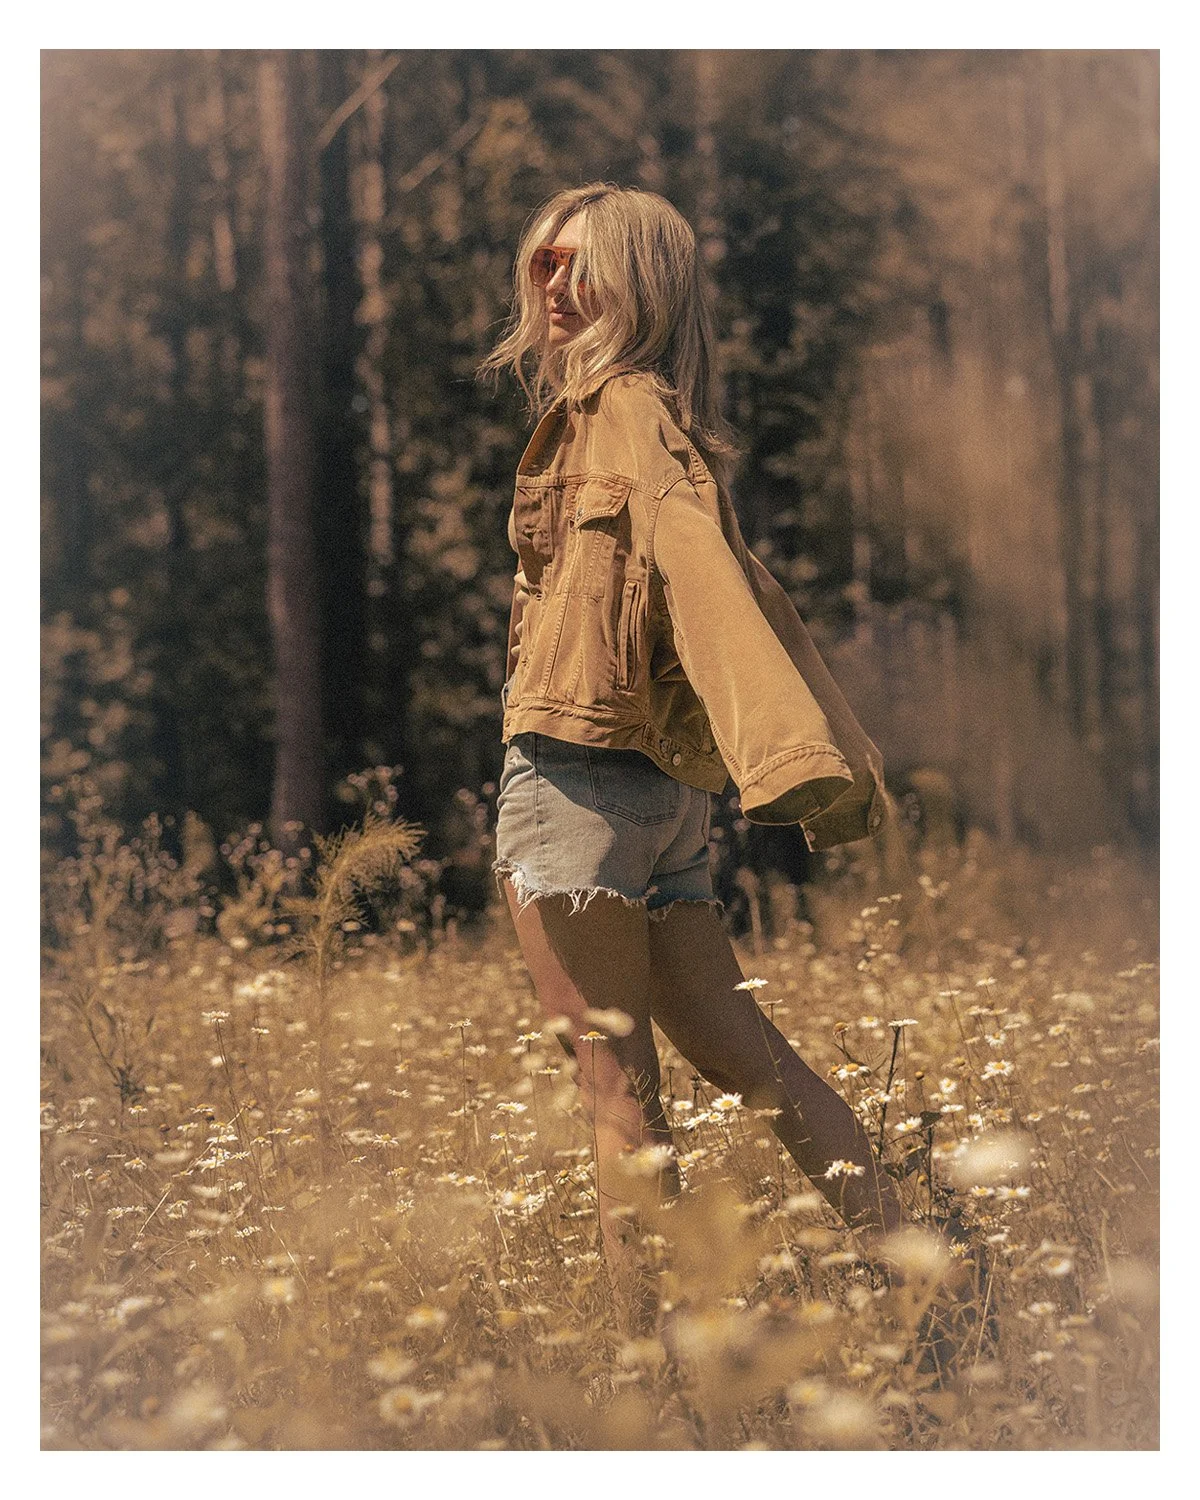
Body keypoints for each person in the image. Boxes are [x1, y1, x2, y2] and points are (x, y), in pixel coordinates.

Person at [480, 183, 903, 1326]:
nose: (558, 287)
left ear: (644, 285)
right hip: (665, 797)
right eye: (544, 265)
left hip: (574, 785)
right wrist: (816, 741)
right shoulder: (654, 414)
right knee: (756, 1067)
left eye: (584, 266)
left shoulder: (615, 412)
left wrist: (789, 749)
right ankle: (934, 1284)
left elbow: (706, 582)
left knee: (617, 1098)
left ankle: (650, 1391)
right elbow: (739, 581)